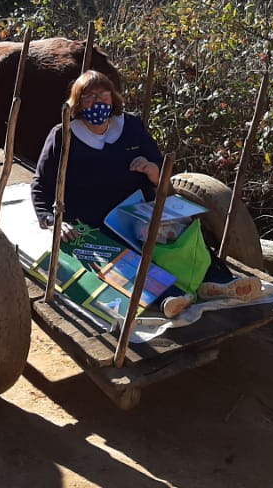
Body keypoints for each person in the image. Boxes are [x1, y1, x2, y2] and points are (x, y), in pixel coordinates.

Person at [31, 70, 256, 318]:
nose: (98, 102)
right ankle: (168, 298)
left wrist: (152, 171)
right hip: (89, 218)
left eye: (103, 94)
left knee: (181, 232)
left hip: (135, 210)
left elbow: (161, 173)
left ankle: (217, 280)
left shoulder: (131, 127)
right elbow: (41, 184)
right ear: (78, 103)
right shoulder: (63, 135)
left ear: (112, 97)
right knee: (117, 257)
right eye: (89, 96)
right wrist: (53, 220)